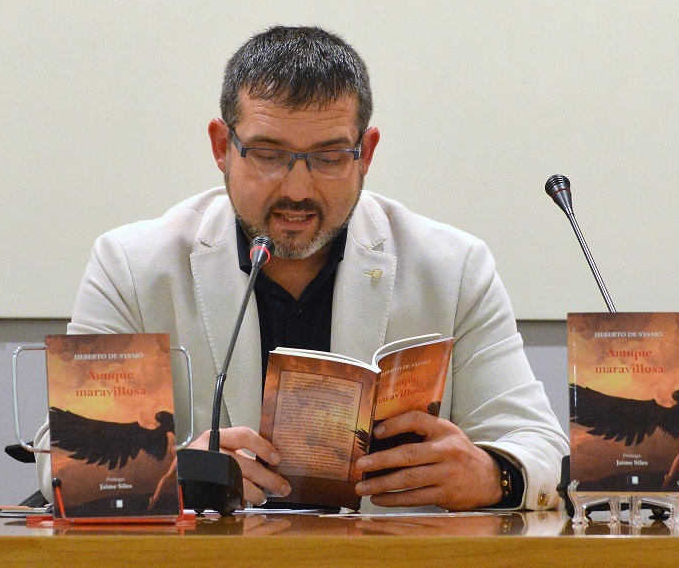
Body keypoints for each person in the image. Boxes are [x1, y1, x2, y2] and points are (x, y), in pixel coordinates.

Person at [35, 26, 568, 511]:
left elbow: (541, 444)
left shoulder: (451, 269)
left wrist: (494, 475)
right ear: (222, 147)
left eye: (329, 157)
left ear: (366, 152)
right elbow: (65, 457)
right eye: (268, 155)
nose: (297, 189)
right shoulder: (133, 267)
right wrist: (181, 476)